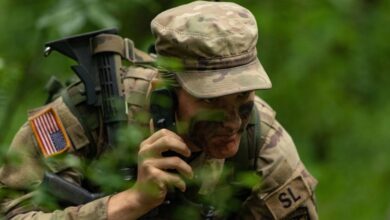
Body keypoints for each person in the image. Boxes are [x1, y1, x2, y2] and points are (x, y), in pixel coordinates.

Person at [0, 1, 318, 219]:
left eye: (243, 97)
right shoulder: (88, 115)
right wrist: (128, 203)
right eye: (211, 101)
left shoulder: (264, 148)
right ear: (164, 93)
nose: (232, 120)